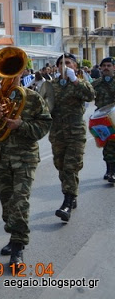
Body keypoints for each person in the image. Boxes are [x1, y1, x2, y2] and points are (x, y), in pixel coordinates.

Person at [0, 69, 51, 267]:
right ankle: (14, 235)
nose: (7, 78)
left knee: (20, 201)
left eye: (12, 74)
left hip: (25, 159)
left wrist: (21, 125)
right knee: (7, 204)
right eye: (4, 75)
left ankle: (18, 247)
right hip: (1, 159)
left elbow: (44, 125)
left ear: (19, 75)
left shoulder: (32, 98)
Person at [40, 53, 95, 222]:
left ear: (75, 67)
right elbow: (43, 104)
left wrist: (75, 80)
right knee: (61, 165)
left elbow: (90, 96)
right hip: (57, 132)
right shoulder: (51, 85)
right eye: (60, 64)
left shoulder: (80, 83)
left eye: (68, 63)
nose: (64, 66)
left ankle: (67, 202)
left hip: (75, 131)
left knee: (71, 166)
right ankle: (71, 192)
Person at [91, 57, 115, 182]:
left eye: (109, 65)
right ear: (100, 68)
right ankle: (110, 171)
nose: (106, 68)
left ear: (113, 67)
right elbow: (86, 95)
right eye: (104, 65)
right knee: (107, 144)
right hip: (102, 119)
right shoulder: (96, 84)